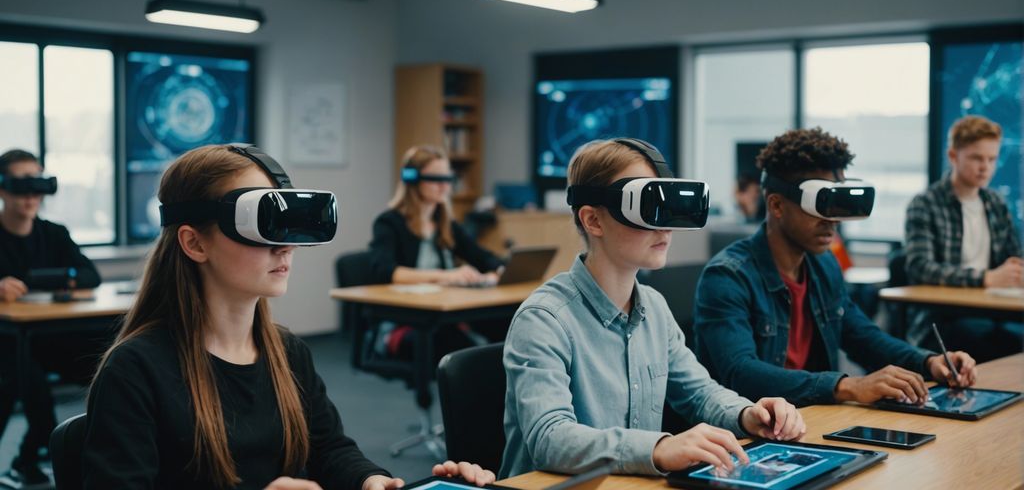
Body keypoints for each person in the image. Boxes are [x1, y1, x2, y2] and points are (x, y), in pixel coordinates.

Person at [82, 144, 495, 489]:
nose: (285, 248)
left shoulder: (287, 352)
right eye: (262, 226)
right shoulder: (136, 370)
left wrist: (370, 480)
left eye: (288, 229)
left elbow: (330, 449)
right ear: (194, 242)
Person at [500, 138, 805, 479]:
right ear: (593, 221)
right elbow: (550, 438)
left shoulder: (654, 308)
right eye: (647, 209)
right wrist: (657, 449)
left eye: (668, 210)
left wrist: (748, 414)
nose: (666, 227)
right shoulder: (544, 319)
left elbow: (699, 394)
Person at [693, 128, 978, 409]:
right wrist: (848, 386)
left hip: (812, 420)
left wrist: (929, 361)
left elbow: (862, 336)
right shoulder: (727, 277)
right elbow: (741, 374)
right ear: (777, 205)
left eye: (836, 205)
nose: (832, 220)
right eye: (819, 205)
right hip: (748, 436)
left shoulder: (824, 265)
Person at [0, 148, 102, 488]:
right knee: (26, 383)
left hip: (51, 335)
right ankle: (30, 456)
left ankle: (44, 459)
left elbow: (90, 276)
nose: (31, 195)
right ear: (3, 188)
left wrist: (54, 277)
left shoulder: (53, 233)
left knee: (108, 357)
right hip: (7, 340)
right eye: (21, 184)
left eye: (37, 183)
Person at [367, 145, 505, 358]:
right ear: (412, 180)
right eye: (435, 179)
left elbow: (482, 257)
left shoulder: (445, 224)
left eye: (448, 179)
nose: (444, 186)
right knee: (464, 351)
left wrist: (498, 271)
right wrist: (448, 276)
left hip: (446, 315)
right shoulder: (389, 223)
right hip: (403, 323)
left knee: (508, 326)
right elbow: (385, 271)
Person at [904, 115, 1023, 361]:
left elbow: (1014, 256)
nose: (985, 167)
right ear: (953, 156)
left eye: (992, 159)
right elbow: (920, 268)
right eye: (976, 158)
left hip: (993, 312)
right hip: (943, 319)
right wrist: (986, 278)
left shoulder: (996, 203)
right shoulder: (925, 204)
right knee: (1002, 346)